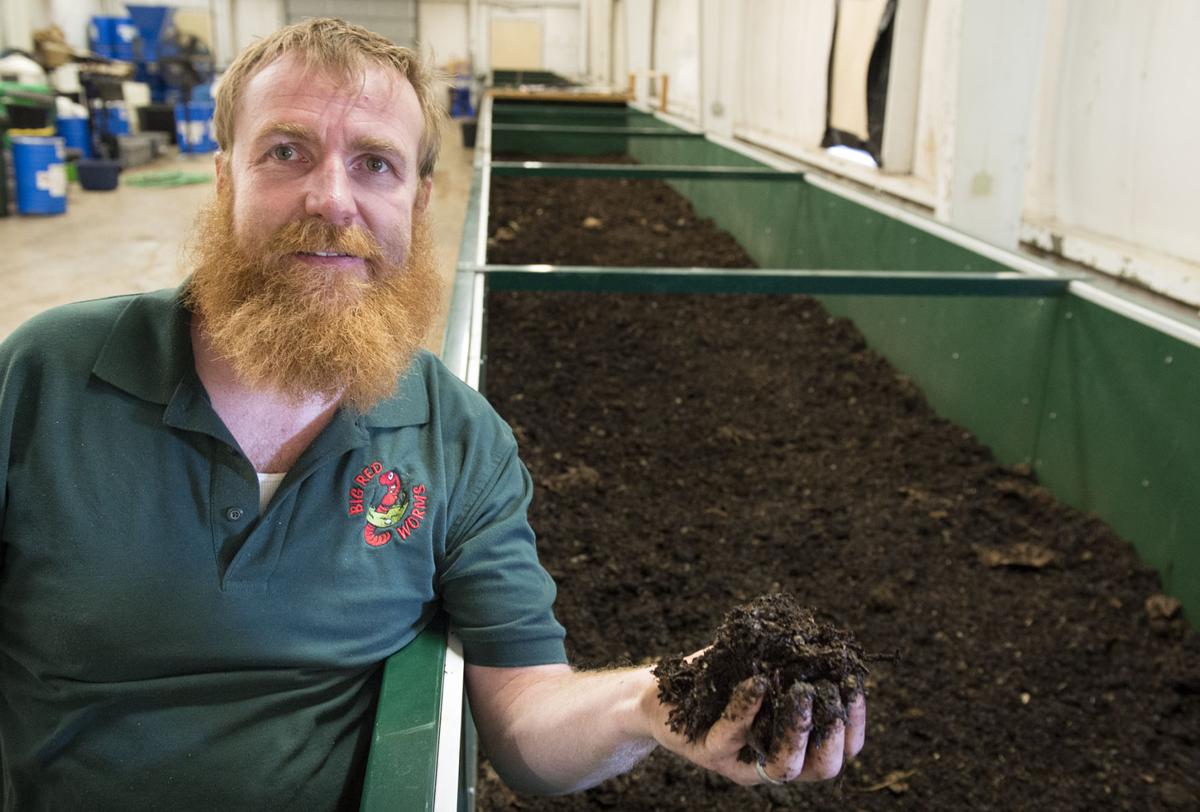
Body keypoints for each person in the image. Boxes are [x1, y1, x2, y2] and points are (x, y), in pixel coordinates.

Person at [0, 18, 865, 810]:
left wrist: (651, 702)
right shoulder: (47, 375)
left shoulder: (458, 442)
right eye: (286, 152)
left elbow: (526, 722)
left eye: (374, 163)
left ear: (417, 202)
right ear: (224, 178)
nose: (331, 200)